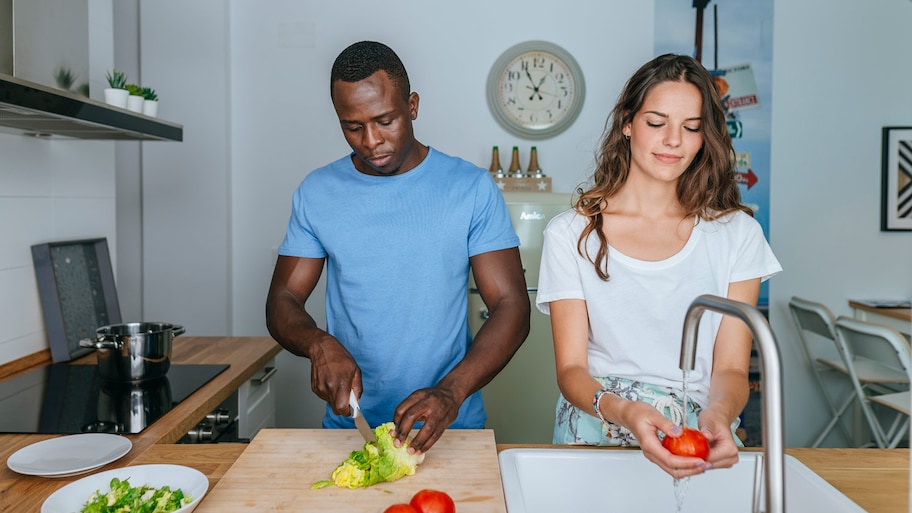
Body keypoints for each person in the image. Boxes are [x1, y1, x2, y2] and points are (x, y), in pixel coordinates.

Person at [265, 41, 530, 453]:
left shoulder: (470, 189)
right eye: (352, 126)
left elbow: (512, 306)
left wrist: (451, 393)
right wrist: (318, 343)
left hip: (450, 429)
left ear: (413, 105)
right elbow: (282, 298)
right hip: (351, 430)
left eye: (384, 120)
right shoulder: (317, 192)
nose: (371, 141)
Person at [535, 54, 781, 479]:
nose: (673, 140)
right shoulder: (572, 233)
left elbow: (730, 369)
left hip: (696, 440)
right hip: (599, 431)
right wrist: (625, 411)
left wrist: (720, 413)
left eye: (691, 127)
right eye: (656, 122)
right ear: (627, 123)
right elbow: (571, 370)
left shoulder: (737, 235)